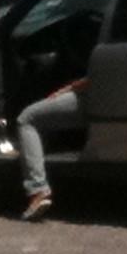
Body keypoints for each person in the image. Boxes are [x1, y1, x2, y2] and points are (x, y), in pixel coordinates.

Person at [17, 76, 89, 220]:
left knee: (26, 118)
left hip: (95, 98)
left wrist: (69, 88)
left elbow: (99, 77)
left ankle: (38, 189)